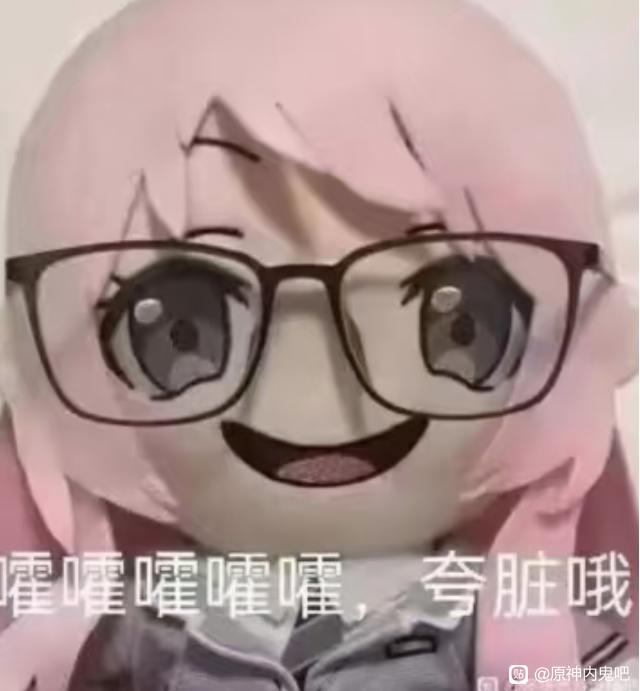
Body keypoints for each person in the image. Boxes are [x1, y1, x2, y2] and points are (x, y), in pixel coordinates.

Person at [0, 0, 637, 689]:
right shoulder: (143, 613)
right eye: (182, 330)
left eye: (457, 324)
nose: (316, 384)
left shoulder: (498, 612)